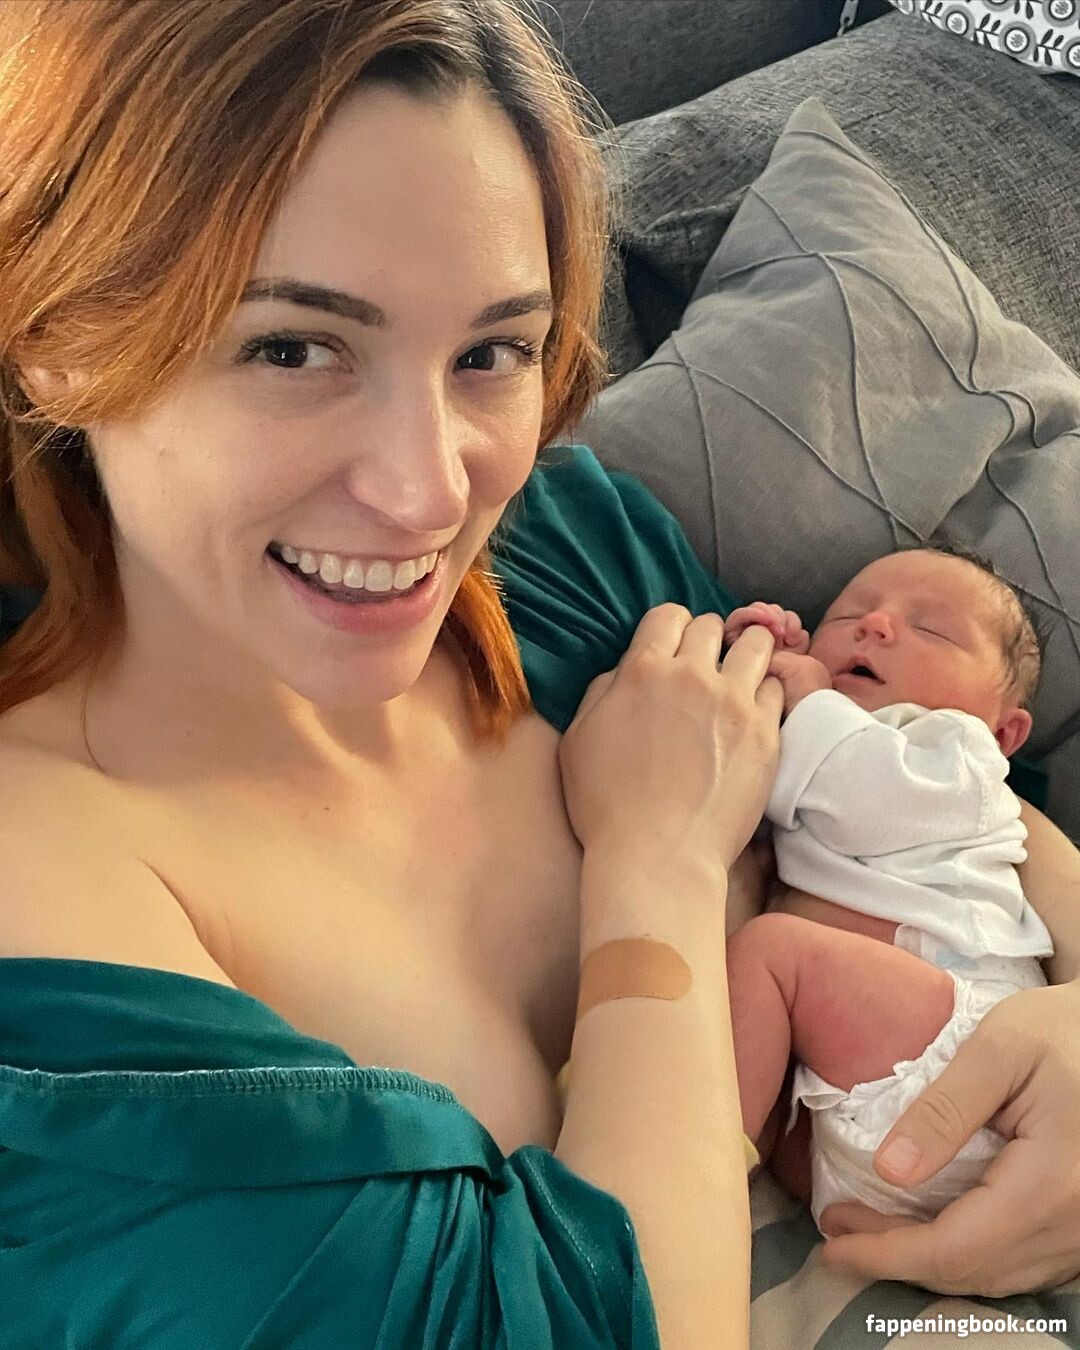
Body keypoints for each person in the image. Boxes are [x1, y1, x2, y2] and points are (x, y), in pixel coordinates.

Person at [0, 3, 1077, 1344]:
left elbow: (916, 774)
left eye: (488, 354)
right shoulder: (50, 917)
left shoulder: (562, 560)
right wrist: (656, 865)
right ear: (59, 335)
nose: (433, 494)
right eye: (292, 347)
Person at [722, 548, 1058, 1230]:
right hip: (856, 1112)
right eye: (846, 615)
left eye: (931, 629)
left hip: (965, 1059)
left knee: (768, 953)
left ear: (1004, 731)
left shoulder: (958, 757)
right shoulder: (829, 740)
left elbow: (862, 794)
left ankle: (705, 1159)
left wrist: (807, 694)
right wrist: (754, 665)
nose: (874, 624)